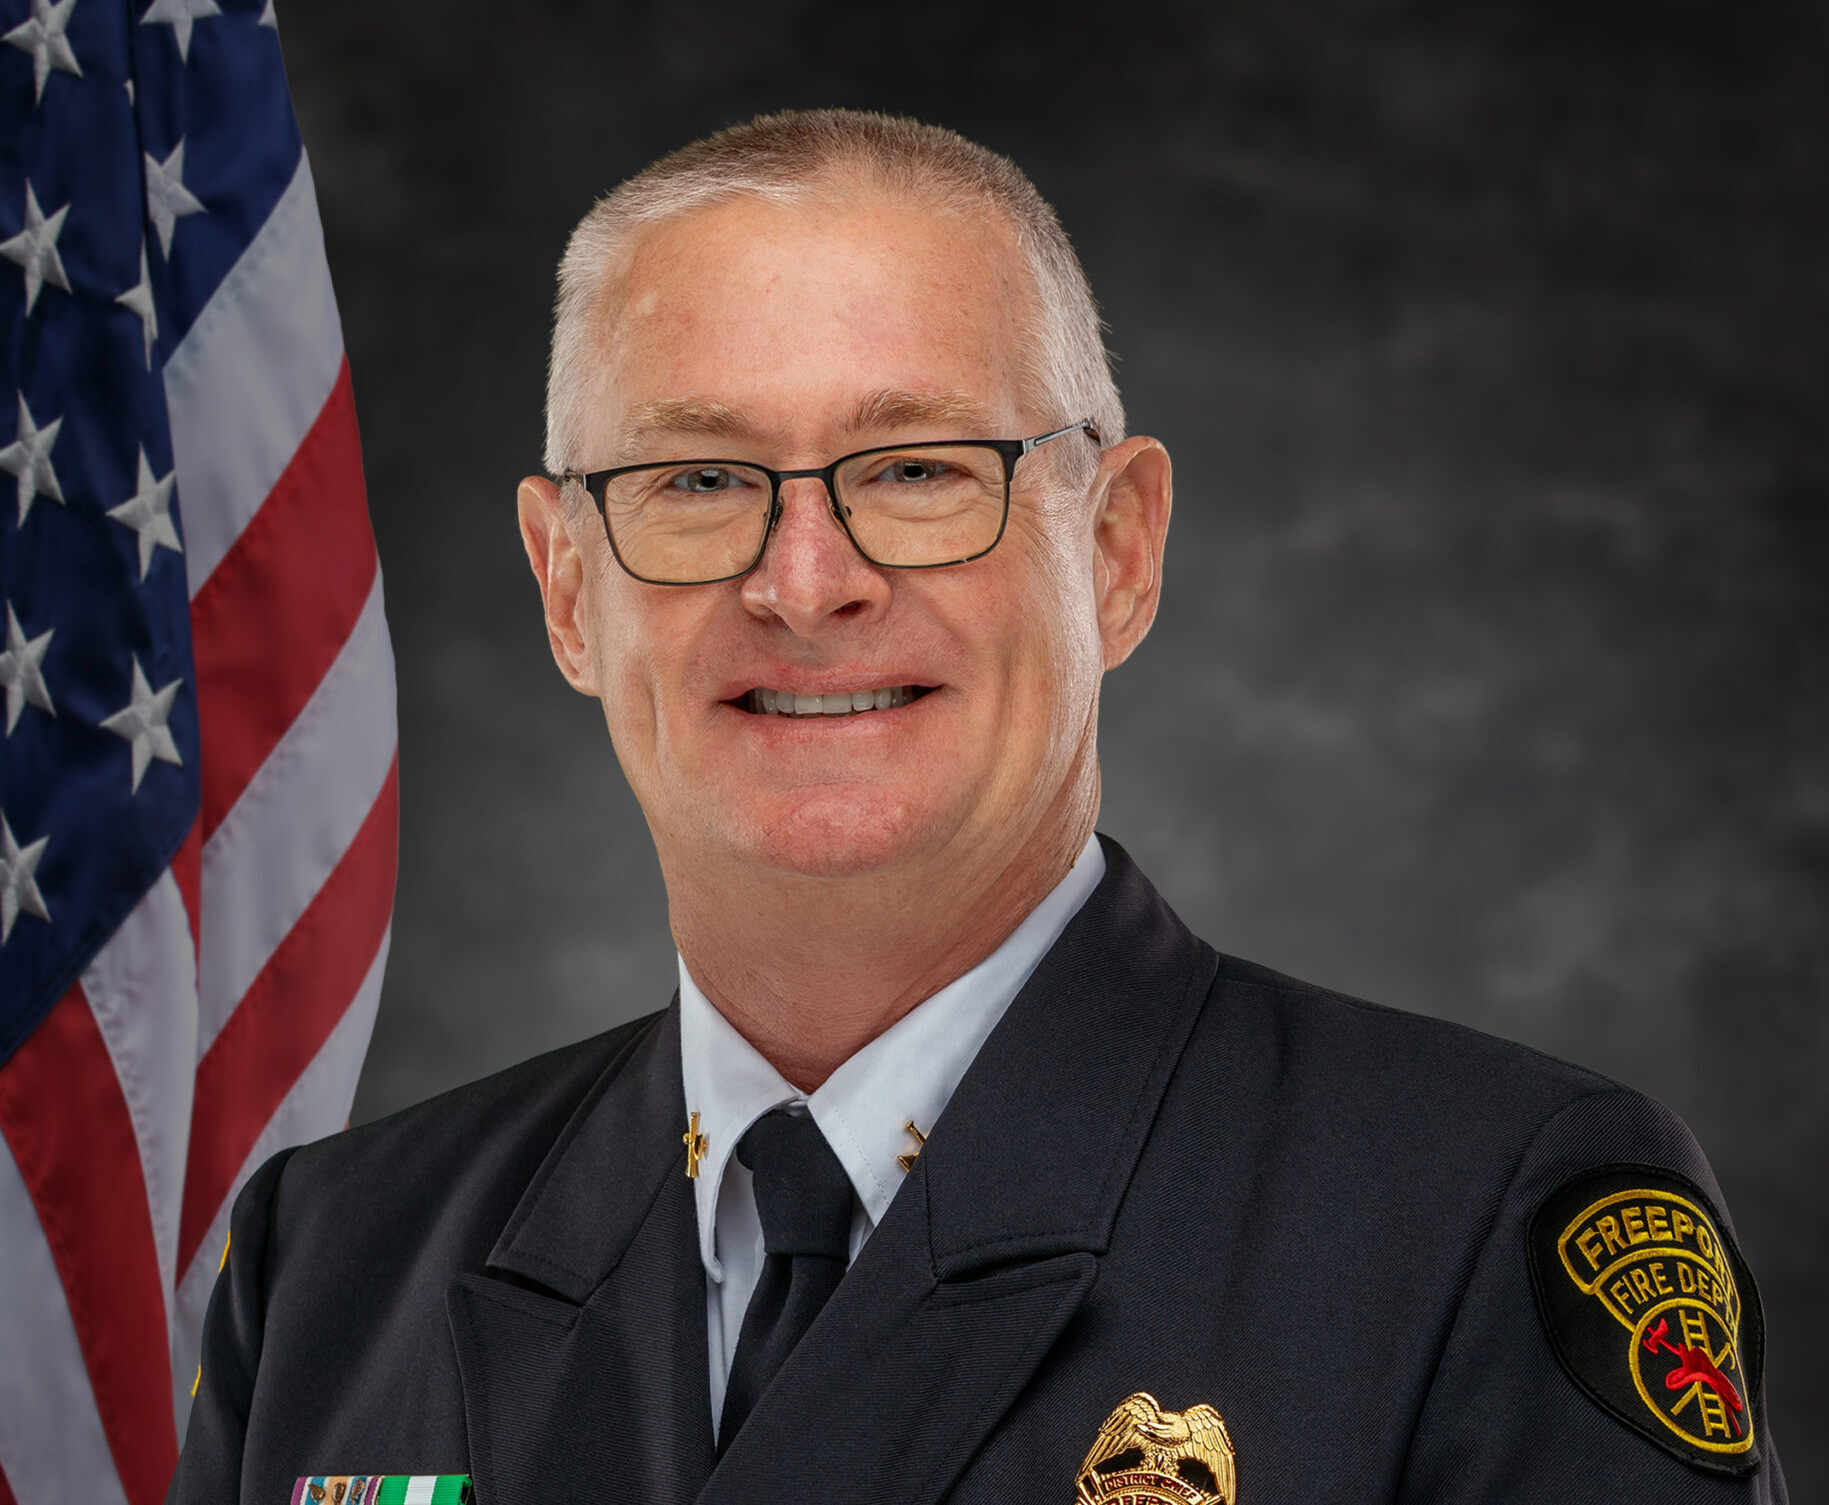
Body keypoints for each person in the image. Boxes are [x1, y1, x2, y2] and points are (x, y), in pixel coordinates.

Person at [170, 111, 1786, 1504]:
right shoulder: (338, 1263)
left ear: (1116, 550)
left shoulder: (1476, 1214)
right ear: (565, 586)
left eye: (919, 468)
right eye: (698, 480)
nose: (805, 582)